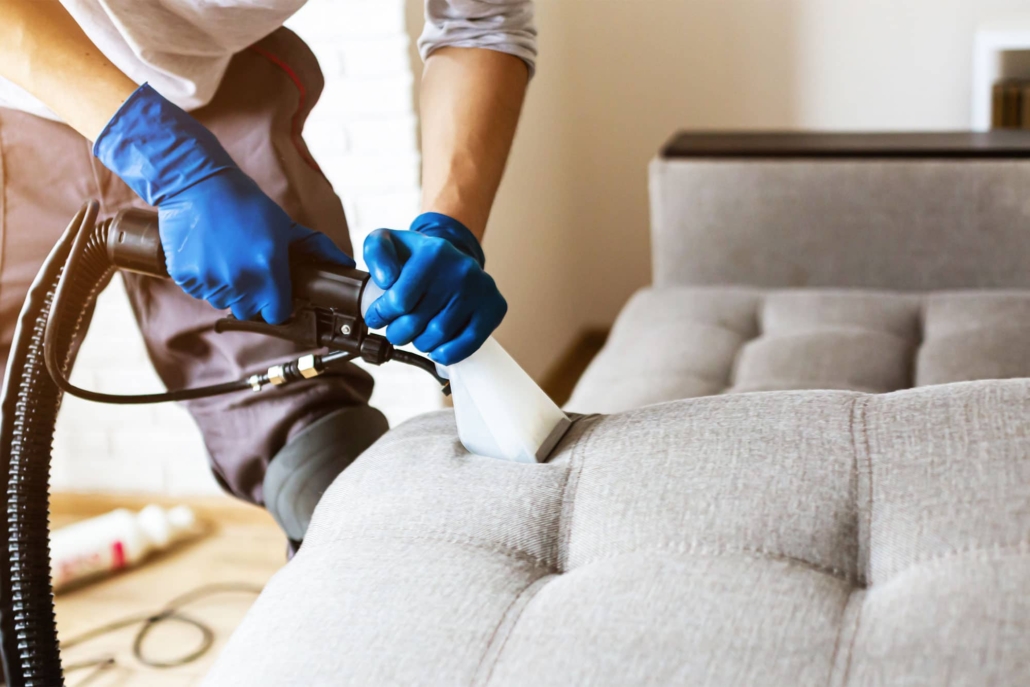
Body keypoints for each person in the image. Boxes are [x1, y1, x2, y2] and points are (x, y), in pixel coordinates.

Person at [0, 0, 534, 546]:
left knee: (315, 441)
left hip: (212, 84)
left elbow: (480, 22)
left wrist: (450, 226)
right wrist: (169, 160)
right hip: (17, 87)